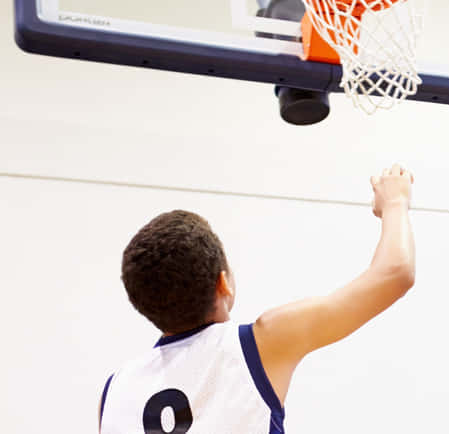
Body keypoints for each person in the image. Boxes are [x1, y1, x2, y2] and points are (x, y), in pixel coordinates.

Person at [99, 164, 416, 433]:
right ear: (224, 283)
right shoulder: (259, 344)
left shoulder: (115, 389)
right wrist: (395, 202)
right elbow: (396, 272)